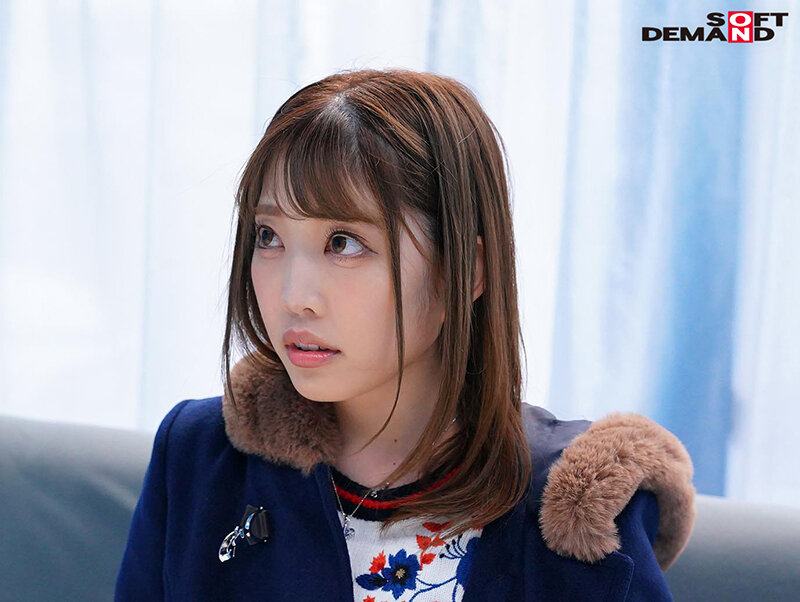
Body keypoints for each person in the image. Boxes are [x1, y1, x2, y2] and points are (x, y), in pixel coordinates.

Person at [115, 68, 696, 601]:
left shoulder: (577, 517)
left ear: (465, 271)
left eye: (343, 243)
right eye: (269, 236)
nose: (293, 295)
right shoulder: (200, 457)